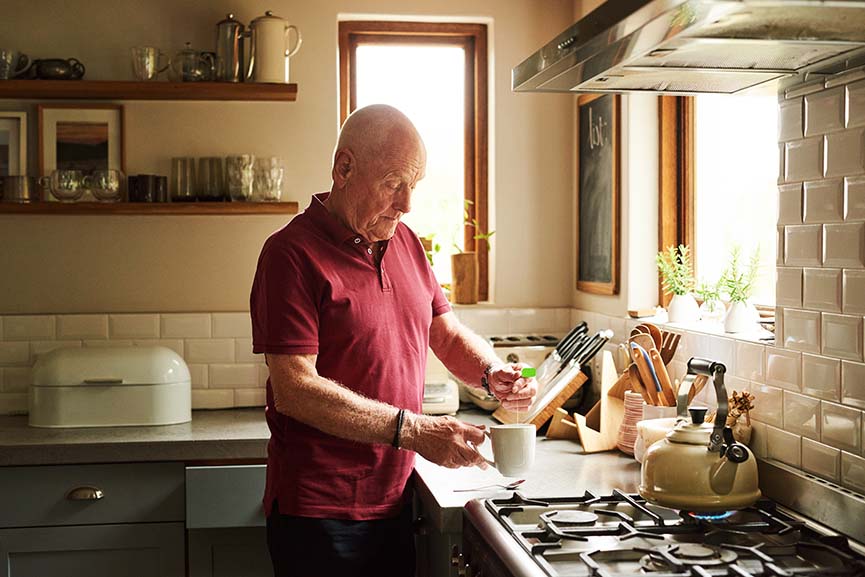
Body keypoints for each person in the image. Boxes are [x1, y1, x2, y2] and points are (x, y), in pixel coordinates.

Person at [250, 104, 538, 577]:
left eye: (414, 185)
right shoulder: (290, 254)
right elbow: (294, 389)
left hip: (397, 495)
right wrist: (416, 430)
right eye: (392, 183)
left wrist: (491, 373)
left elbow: (442, 332)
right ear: (344, 168)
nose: (407, 203)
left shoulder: (406, 242)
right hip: (321, 511)